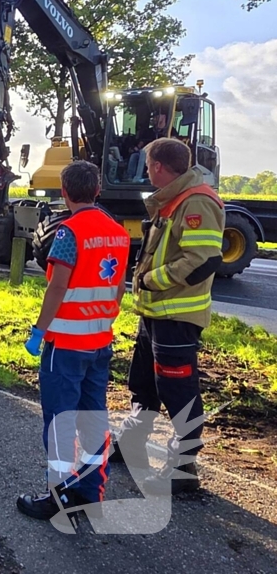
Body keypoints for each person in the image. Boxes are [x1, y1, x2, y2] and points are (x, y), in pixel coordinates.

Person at [16, 161, 129, 520]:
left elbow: (58, 285)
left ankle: (58, 497)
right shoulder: (118, 232)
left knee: (60, 423)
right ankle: (90, 491)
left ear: (64, 192)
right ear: (97, 190)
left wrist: (38, 331)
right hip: (100, 341)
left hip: (65, 344)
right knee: (93, 418)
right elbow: (119, 286)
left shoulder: (68, 233)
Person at [112, 138, 225, 495]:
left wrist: (149, 280)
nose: (146, 171)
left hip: (176, 314)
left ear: (159, 166)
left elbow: (203, 259)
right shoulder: (173, 200)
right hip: (156, 311)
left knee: (179, 393)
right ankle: (131, 443)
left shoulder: (196, 202)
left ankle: (183, 470)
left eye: (148, 165)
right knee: (144, 385)